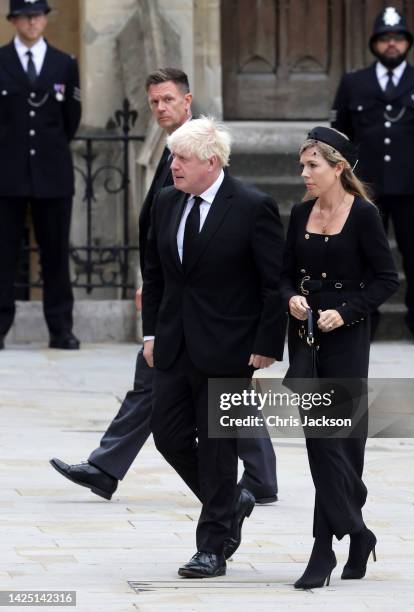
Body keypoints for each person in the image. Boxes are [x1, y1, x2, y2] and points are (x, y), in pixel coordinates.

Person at [50, 69, 279, 505]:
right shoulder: (166, 147)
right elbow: (162, 232)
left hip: (212, 310)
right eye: (154, 101)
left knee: (202, 392)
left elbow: (225, 231)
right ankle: (256, 478)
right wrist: (151, 285)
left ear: (187, 101)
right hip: (175, 301)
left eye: (168, 100)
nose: (160, 109)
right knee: (184, 391)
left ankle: (108, 466)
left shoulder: (205, 148)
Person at [142, 117, 286, 578]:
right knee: (168, 437)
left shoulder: (251, 206)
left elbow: (273, 284)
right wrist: (150, 334)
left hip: (229, 348)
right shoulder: (167, 202)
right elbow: (156, 275)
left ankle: (212, 548)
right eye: (171, 157)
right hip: (174, 344)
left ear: (211, 161)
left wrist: (266, 344)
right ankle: (232, 500)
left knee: (219, 447)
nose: (173, 166)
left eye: (181, 158)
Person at [280, 126, 399, 589]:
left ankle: (323, 548)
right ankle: (357, 530)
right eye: (302, 165)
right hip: (305, 337)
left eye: (312, 165)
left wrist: (346, 313)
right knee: (319, 442)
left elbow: (386, 279)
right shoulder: (298, 213)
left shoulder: (365, 215)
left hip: (347, 339)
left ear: (338, 167)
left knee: (342, 442)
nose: (304, 173)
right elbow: (283, 274)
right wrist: (291, 298)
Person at [330, 5, 414, 345]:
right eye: (385, 38)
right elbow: (342, 129)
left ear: (408, 43)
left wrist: (408, 154)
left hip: (413, 185)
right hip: (368, 187)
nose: (392, 44)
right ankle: (367, 318)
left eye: (398, 38)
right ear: (374, 43)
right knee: (365, 257)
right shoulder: (354, 82)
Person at [0, 0, 81, 350]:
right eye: (26, 16)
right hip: (7, 174)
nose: (33, 22)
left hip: (52, 173)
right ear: (14, 20)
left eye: (38, 15)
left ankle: (61, 328)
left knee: (55, 255)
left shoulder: (65, 63)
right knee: (3, 254)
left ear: (46, 18)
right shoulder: (0, 61)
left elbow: (71, 119)